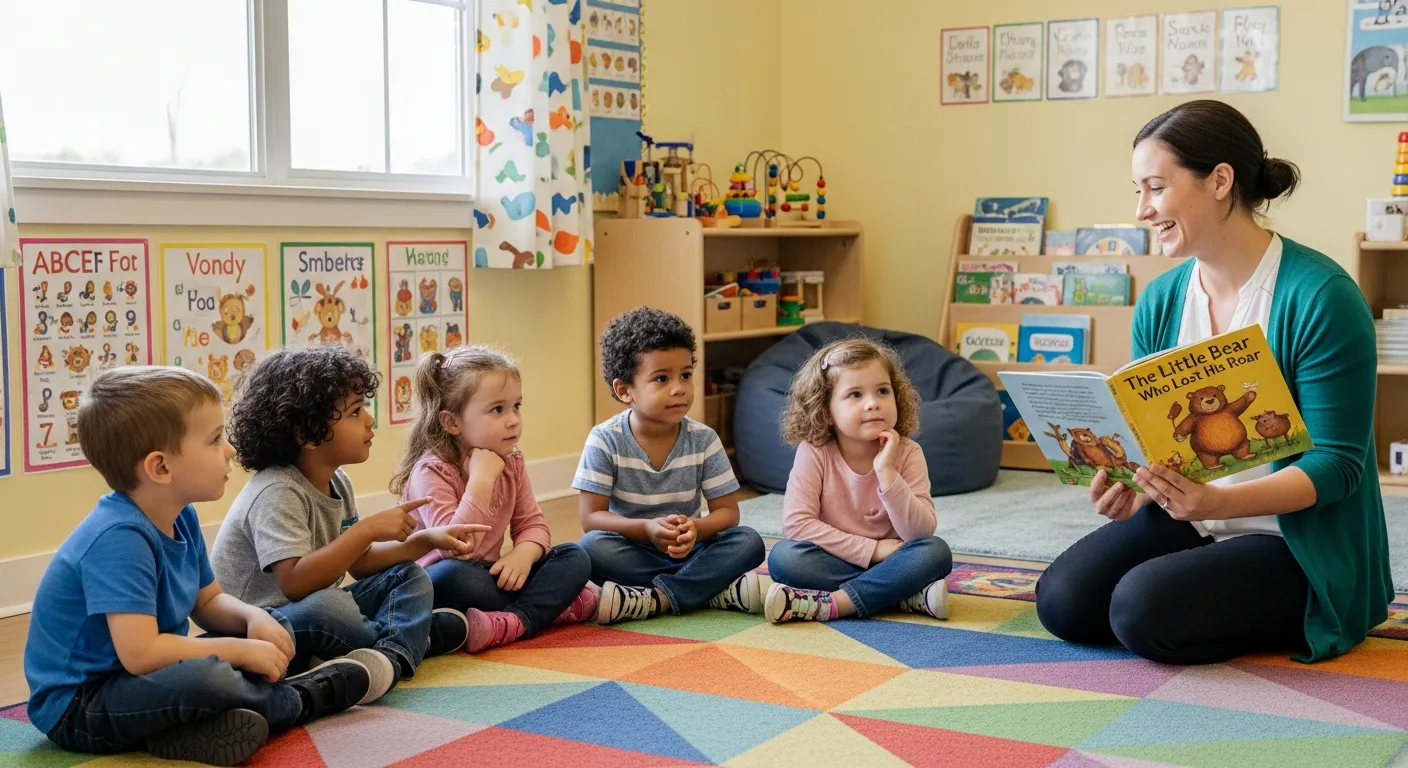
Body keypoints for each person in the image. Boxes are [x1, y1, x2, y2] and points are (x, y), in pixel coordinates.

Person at [1035, 99, 1391, 665]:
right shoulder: (1162, 299)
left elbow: (1338, 466)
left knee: (1139, 610)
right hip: (1193, 517)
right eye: (1137, 191)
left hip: (1294, 539)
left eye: (1155, 188)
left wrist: (1219, 498)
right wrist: (1133, 487)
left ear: (1220, 180)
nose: (1142, 211)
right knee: (1063, 603)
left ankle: (1310, 611)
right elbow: (1156, 439)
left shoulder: (1323, 297)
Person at [24, 367, 369, 765]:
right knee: (211, 677)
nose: (230, 451)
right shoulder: (118, 538)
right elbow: (141, 653)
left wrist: (253, 620)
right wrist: (240, 651)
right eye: (215, 439)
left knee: (275, 621)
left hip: (143, 675)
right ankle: (300, 699)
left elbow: (209, 602)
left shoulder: (180, 514)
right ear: (161, 468)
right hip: (82, 704)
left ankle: (188, 730)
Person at [212, 346, 486, 705]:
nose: (370, 420)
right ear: (307, 435)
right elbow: (295, 584)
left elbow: (359, 562)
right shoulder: (276, 490)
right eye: (356, 411)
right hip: (264, 625)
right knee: (331, 607)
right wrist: (367, 529)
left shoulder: (337, 481)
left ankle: (388, 657)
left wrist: (424, 541)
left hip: (312, 607)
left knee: (409, 575)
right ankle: (412, 637)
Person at [390, 346, 596, 653]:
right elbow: (456, 549)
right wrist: (482, 480)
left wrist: (522, 555)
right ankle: (554, 607)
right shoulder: (430, 471)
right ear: (452, 422)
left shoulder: (511, 461)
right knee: (455, 577)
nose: (513, 420)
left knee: (575, 556)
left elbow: (532, 524)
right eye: (497, 409)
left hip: (490, 577)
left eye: (516, 406)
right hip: (441, 579)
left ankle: (515, 620)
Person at [574, 306, 766, 624]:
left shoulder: (703, 439)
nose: (679, 388)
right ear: (625, 391)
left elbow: (728, 513)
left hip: (691, 548)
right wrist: (647, 529)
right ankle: (710, 589)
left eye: (686, 375)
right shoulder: (604, 440)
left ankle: (656, 599)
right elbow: (591, 518)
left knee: (749, 542)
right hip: (635, 546)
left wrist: (697, 529)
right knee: (591, 548)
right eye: (661, 378)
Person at [764, 338, 952, 623]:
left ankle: (837, 603)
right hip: (838, 558)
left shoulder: (909, 453)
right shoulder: (814, 452)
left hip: (896, 559)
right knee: (784, 558)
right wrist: (872, 551)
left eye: (882, 391)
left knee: (935, 552)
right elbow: (797, 524)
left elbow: (920, 532)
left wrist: (887, 473)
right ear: (825, 411)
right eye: (855, 395)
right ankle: (900, 594)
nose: (873, 403)